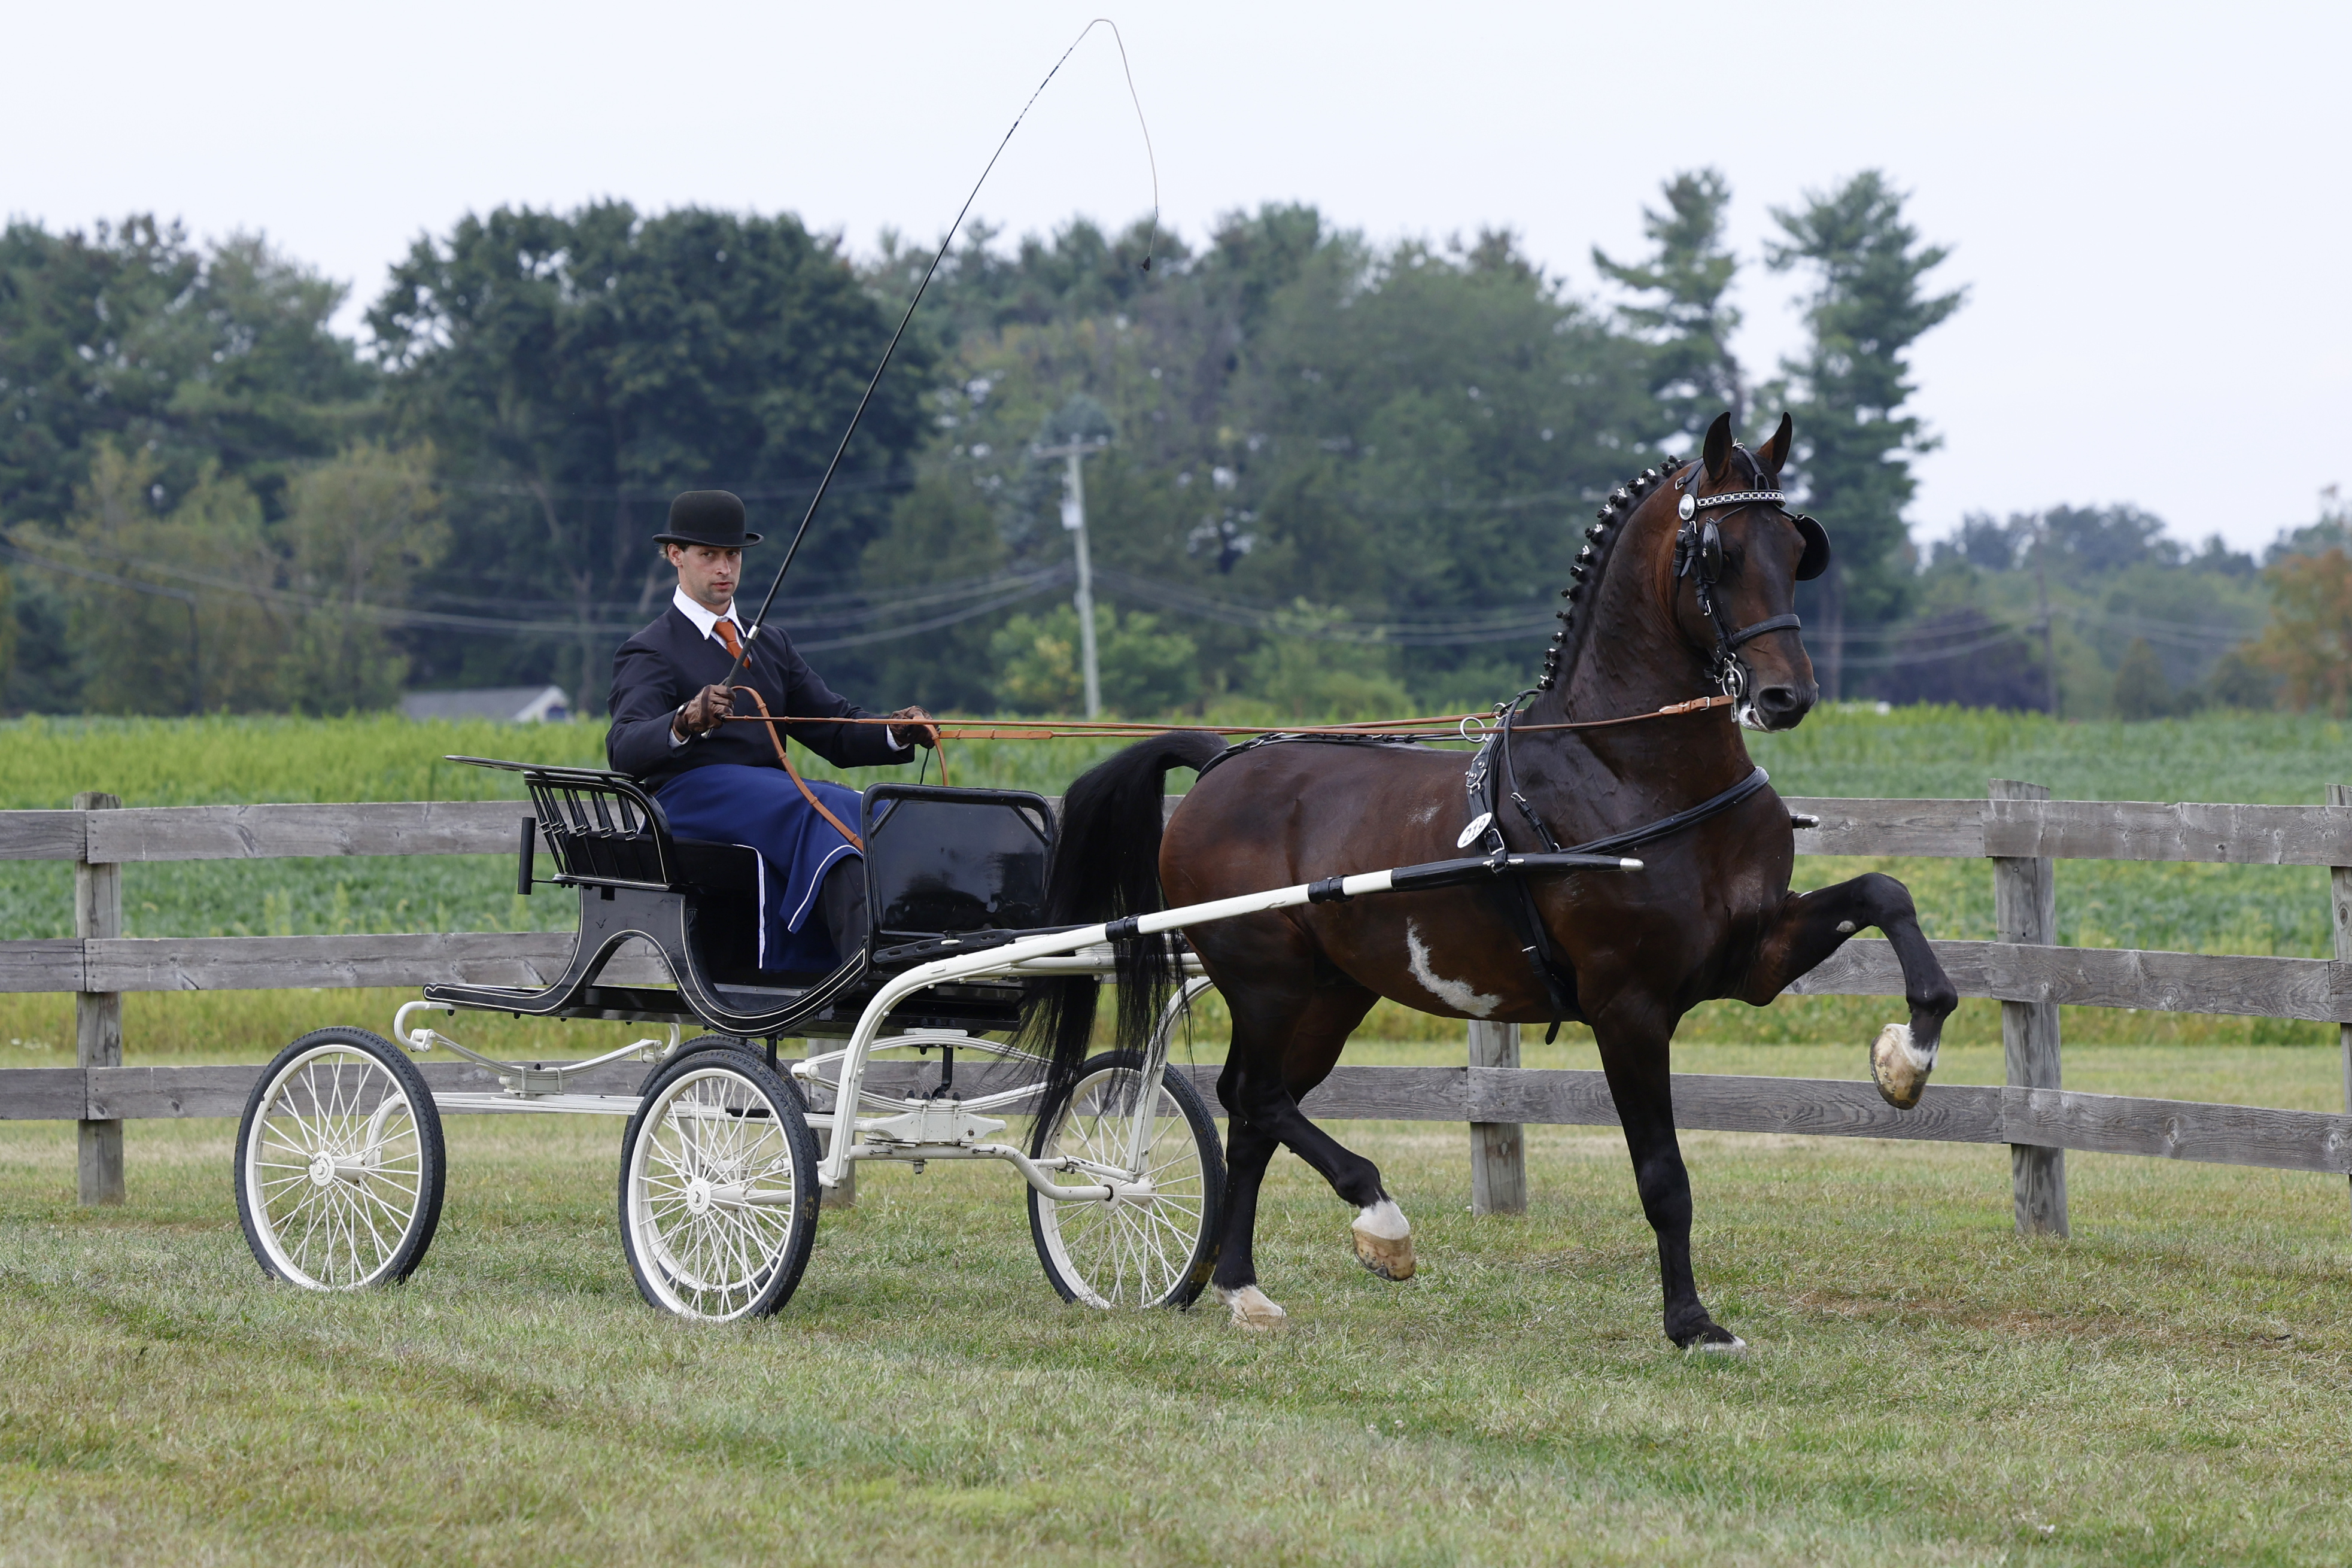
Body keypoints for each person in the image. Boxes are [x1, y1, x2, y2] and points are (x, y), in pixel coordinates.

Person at [607, 490, 937, 972]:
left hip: (771, 798)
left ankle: (921, 952)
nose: (724, 568)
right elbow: (624, 747)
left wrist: (896, 731)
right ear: (676, 557)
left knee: (868, 809)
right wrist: (684, 720)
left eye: (733, 555)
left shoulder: (770, 645)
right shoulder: (651, 649)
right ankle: (862, 964)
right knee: (813, 807)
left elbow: (833, 728)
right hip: (688, 800)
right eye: (709, 556)